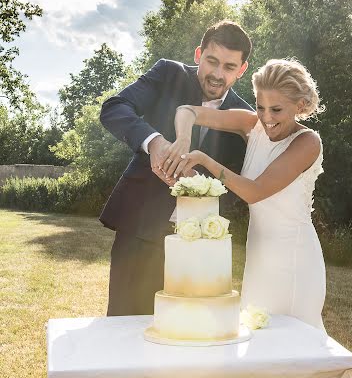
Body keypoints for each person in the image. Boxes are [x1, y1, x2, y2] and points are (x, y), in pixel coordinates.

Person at [99, 20, 253, 316]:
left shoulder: (246, 116)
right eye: (212, 61)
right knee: (125, 325)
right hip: (140, 230)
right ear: (198, 55)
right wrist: (153, 142)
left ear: (242, 69)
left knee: (186, 335)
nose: (218, 74)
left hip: (199, 244)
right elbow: (114, 108)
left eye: (230, 67)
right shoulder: (168, 72)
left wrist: (202, 189)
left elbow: (240, 183)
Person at [163, 58, 326, 330]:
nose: (266, 117)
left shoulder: (307, 142)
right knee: (257, 338)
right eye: (261, 107)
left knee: (296, 343)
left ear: (299, 106)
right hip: (258, 254)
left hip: (294, 258)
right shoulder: (252, 125)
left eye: (276, 109)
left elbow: (256, 192)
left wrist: (205, 160)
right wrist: (183, 138)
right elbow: (186, 111)